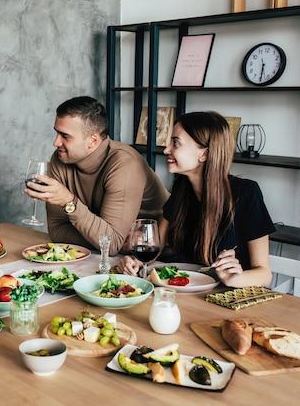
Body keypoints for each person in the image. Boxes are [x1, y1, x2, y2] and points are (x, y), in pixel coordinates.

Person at [118, 111, 275, 287]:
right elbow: (156, 246)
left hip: (227, 297)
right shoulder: (181, 188)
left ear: (204, 154)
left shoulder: (246, 193)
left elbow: (264, 273)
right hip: (186, 291)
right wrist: (135, 261)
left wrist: (236, 278)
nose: (166, 149)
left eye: (175, 143)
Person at [25, 96, 169, 255]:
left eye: (65, 136)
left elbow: (111, 245)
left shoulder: (124, 165)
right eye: (57, 133)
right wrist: (104, 240)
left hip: (157, 258)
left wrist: (68, 202)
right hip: (110, 254)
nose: (56, 142)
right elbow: (57, 232)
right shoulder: (61, 158)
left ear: (92, 141)